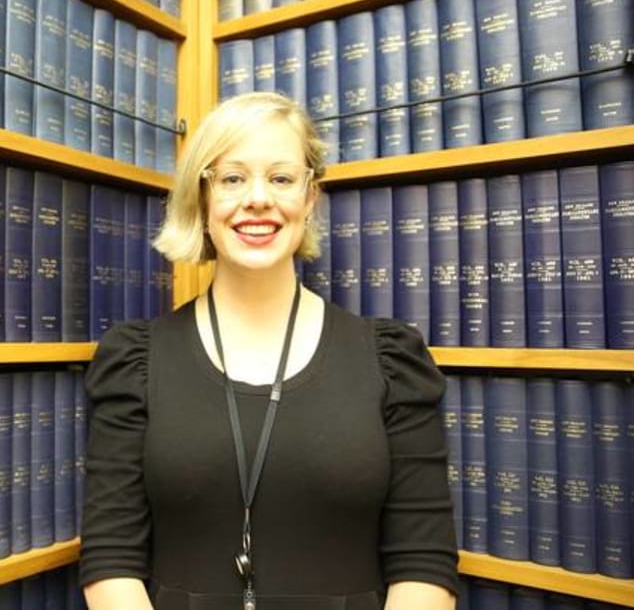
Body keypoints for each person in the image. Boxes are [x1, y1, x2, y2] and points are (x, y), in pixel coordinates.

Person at [78, 92, 459, 609]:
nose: (258, 198)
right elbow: (111, 559)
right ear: (203, 197)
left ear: (310, 197)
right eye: (232, 178)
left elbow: (424, 563)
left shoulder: (390, 359)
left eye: (281, 178)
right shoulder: (134, 361)